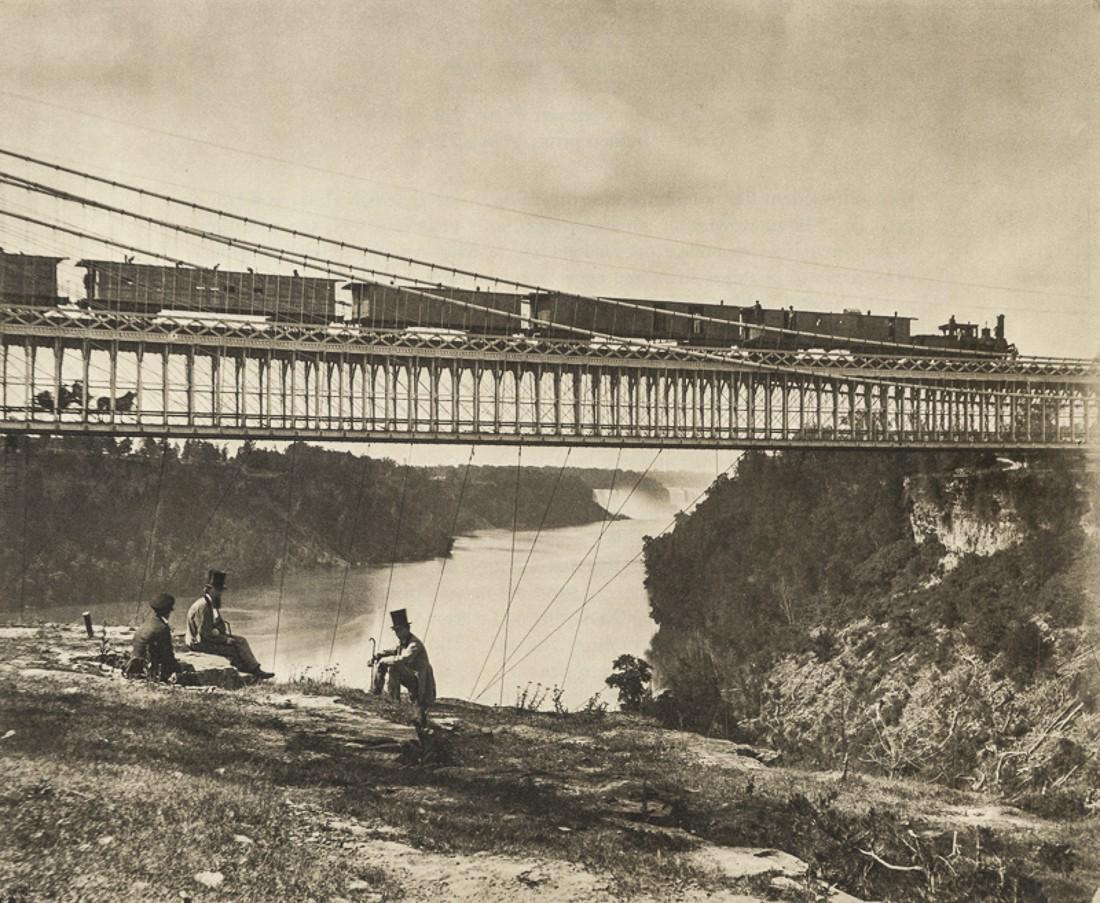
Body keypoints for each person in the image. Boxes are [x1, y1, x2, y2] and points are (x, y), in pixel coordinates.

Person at [185, 569, 274, 679]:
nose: (220, 593)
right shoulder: (203, 606)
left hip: (207, 639)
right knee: (232, 649)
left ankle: (254, 669)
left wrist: (222, 633)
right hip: (198, 643)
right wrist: (225, 639)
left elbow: (217, 625)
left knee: (241, 640)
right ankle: (247, 673)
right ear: (209, 590)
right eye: (218, 590)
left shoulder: (211, 604)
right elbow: (204, 633)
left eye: (221, 590)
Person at [370, 609, 436, 722]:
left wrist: (383, 661)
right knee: (390, 665)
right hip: (412, 678)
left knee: (393, 666)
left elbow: (403, 659)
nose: (397, 633)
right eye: (395, 630)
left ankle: (393, 701)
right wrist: (377, 656)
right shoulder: (403, 642)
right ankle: (378, 694)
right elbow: (392, 650)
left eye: (399, 630)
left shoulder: (414, 644)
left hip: (421, 683)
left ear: (407, 629)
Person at [126, 592, 188, 681]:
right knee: (188, 669)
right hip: (151, 669)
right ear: (168, 612)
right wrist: (177, 666)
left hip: (134, 666)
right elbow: (167, 656)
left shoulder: (146, 624)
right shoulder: (162, 628)